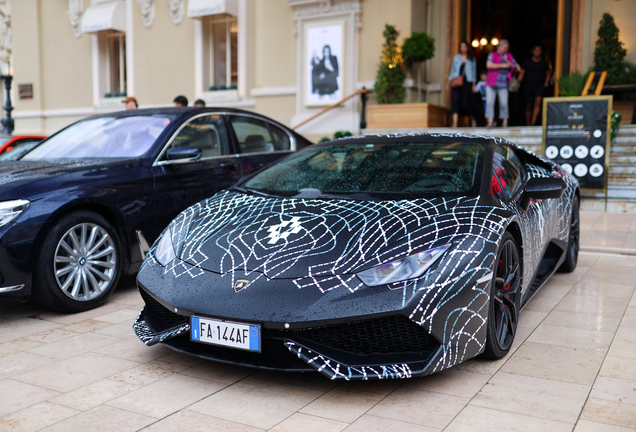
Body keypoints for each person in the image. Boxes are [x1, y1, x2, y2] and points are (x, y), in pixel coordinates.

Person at [486, 39, 521, 127]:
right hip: (492, 82)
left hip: (504, 83)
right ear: (499, 47)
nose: (506, 49)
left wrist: (517, 67)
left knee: (504, 103)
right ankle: (490, 121)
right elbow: (489, 65)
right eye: (505, 47)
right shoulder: (492, 55)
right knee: (490, 102)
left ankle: (504, 121)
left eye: (507, 48)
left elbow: (516, 65)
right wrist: (503, 66)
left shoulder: (509, 55)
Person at [519, 44, 552, 125]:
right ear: (532, 51)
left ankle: (533, 123)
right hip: (528, 87)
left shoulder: (544, 63)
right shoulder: (527, 62)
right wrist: (517, 84)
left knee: (538, 103)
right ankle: (528, 124)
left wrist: (546, 83)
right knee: (528, 105)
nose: (538, 52)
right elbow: (522, 73)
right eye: (536, 51)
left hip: (539, 86)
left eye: (539, 51)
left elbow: (548, 73)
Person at [448, 41, 477, 127]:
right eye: (461, 47)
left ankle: (473, 121)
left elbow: (474, 72)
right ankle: (455, 123)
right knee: (455, 101)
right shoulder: (456, 58)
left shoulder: (472, 58)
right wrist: (449, 82)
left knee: (467, 102)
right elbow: (452, 70)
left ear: (467, 48)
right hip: (457, 81)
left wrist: (474, 84)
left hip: (467, 82)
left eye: (464, 47)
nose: (463, 48)